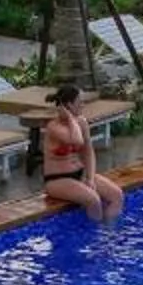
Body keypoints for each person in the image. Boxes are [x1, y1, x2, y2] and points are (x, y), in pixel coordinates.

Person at [41, 82, 124, 223]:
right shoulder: (54, 127)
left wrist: (90, 178)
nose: (83, 105)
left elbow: (88, 152)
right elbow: (77, 140)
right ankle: (94, 238)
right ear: (68, 105)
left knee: (116, 195)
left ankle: (110, 233)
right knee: (93, 200)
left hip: (79, 174)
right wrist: (71, 118)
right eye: (80, 102)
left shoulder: (82, 122)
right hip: (57, 180)